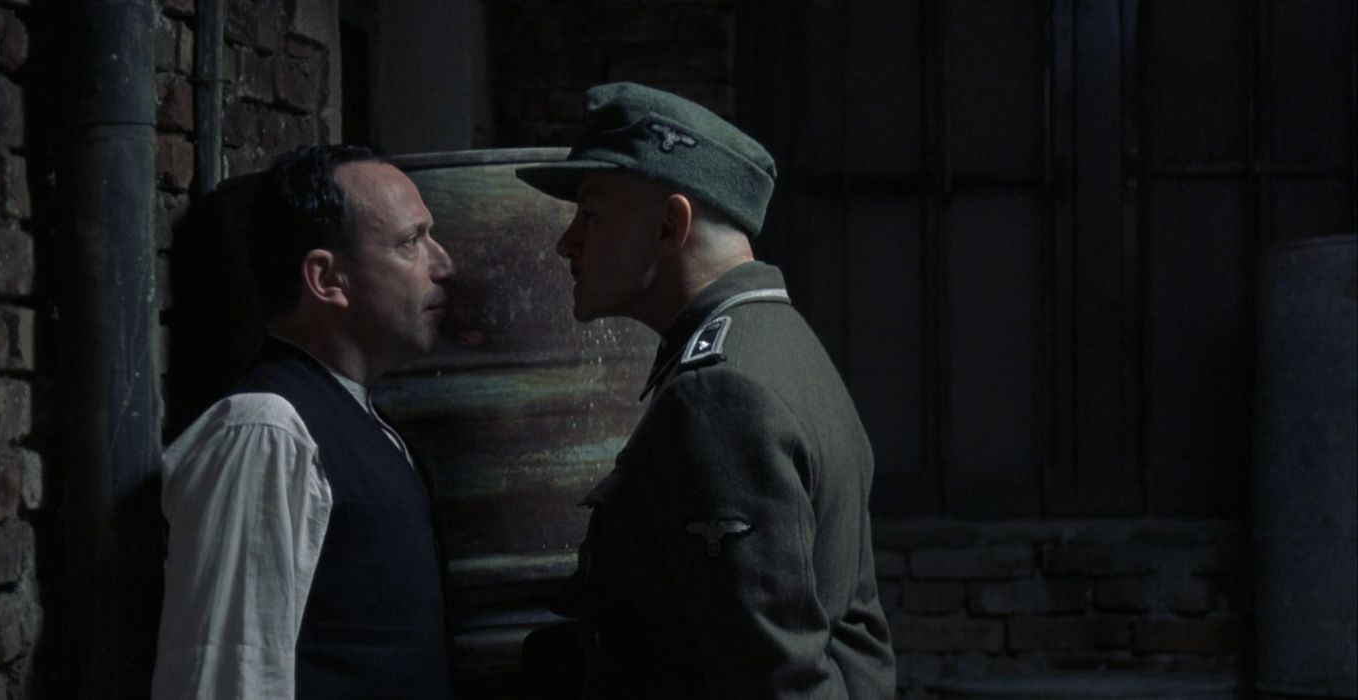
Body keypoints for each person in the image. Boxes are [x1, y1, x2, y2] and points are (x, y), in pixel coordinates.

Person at [516, 82, 897, 698]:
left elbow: (778, 681)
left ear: (670, 226)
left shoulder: (721, 393)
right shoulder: (778, 342)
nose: (566, 241)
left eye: (591, 214)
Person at [152, 145, 457, 699]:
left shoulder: (364, 426)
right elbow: (227, 676)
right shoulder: (263, 430)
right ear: (327, 278)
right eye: (410, 242)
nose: (443, 263)